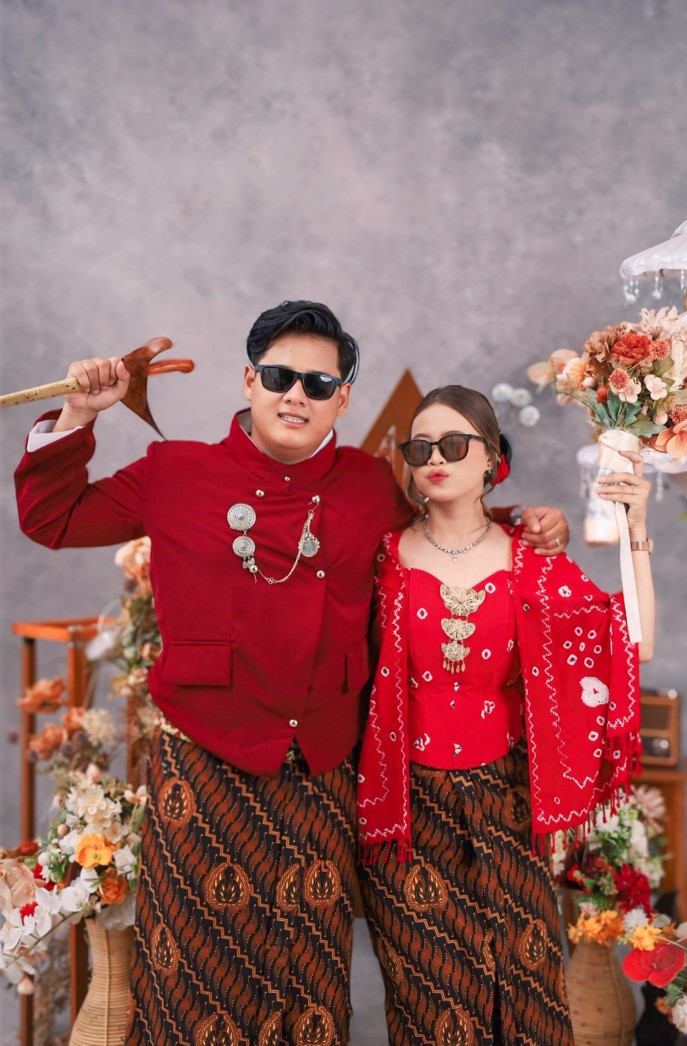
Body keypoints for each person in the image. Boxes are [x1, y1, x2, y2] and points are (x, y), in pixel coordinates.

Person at [14, 304, 569, 1044]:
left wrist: (530, 526)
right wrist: (81, 414)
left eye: (318, 383)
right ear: (249, 381)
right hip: (204, 768)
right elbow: (51, 519)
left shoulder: (368, 483)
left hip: (322, 766)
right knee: (197, 986)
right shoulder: (176, 471)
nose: (296, 395)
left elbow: (444, 535)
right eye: (279, 377)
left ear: (343, 398)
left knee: (306, 987)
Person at [357, 385, 654, 1046]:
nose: (435, 458)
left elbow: (630, 640)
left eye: (453, 444)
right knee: (431, 1010)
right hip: (407, 814)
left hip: (508, 805)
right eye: (420, 449)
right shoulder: (381, 559)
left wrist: (635, 529)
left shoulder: (531, 559)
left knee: (527, 1001)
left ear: (492, 457)